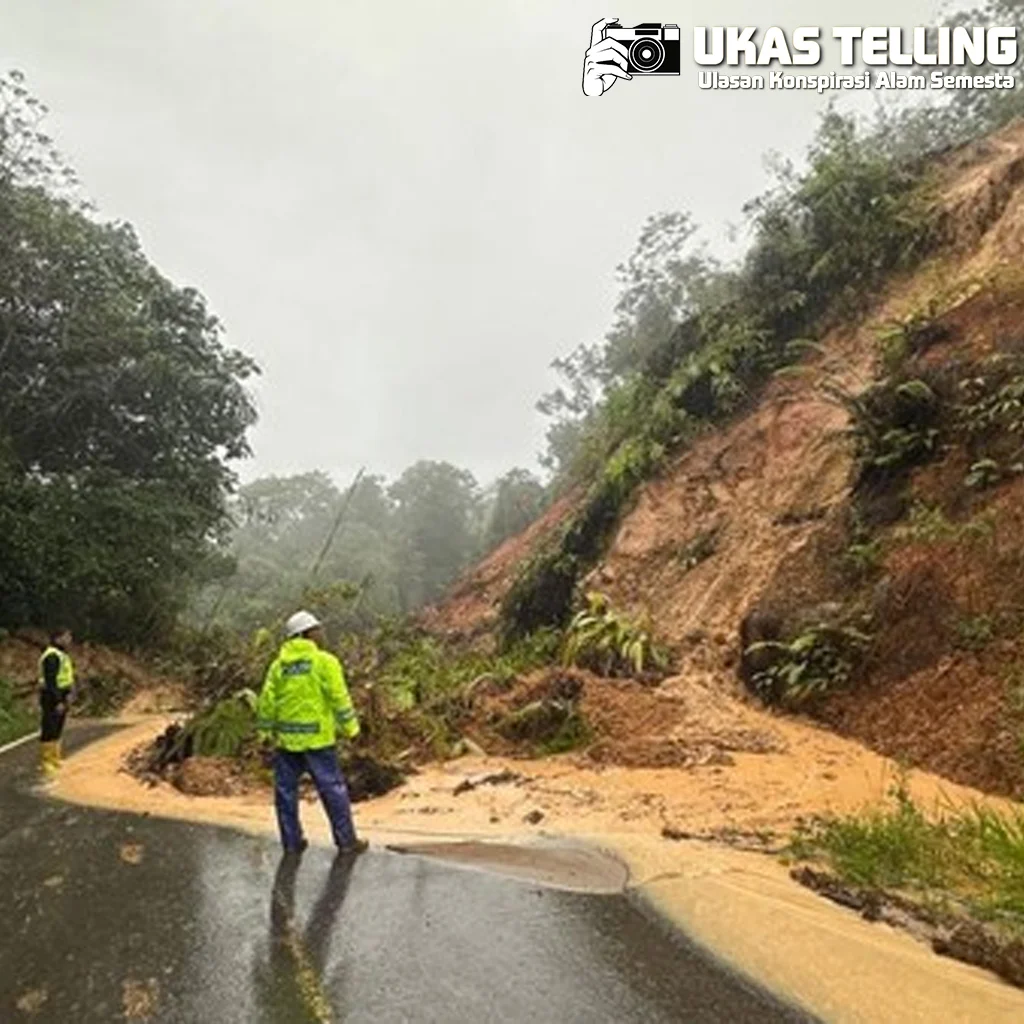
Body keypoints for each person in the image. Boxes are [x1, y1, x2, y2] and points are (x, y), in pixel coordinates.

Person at [256, 610, 368, 856]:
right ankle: (347, 842)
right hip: (319, 742)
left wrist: (264, 732)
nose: (320, 634)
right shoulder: (325, 662)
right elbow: (339, 698)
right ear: (305, 634)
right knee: (333, 790)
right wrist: (351, 728)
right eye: (316, 630)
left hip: (287, 743)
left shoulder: (278, 666)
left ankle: (292, 843)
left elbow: (267, 702)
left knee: (285, 793)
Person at [38, 629, 75, 776]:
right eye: (67, 637)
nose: (69, 640)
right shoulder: (51, 656)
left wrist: (70, 693)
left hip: (62, 694)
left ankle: (55, 758)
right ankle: (47, 762)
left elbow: (67, 676)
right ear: (58, 638)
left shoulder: (62, 655)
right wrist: (58, 700)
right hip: (52, 696)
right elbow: (51, 681)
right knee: (50, 727)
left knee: (58, 727)